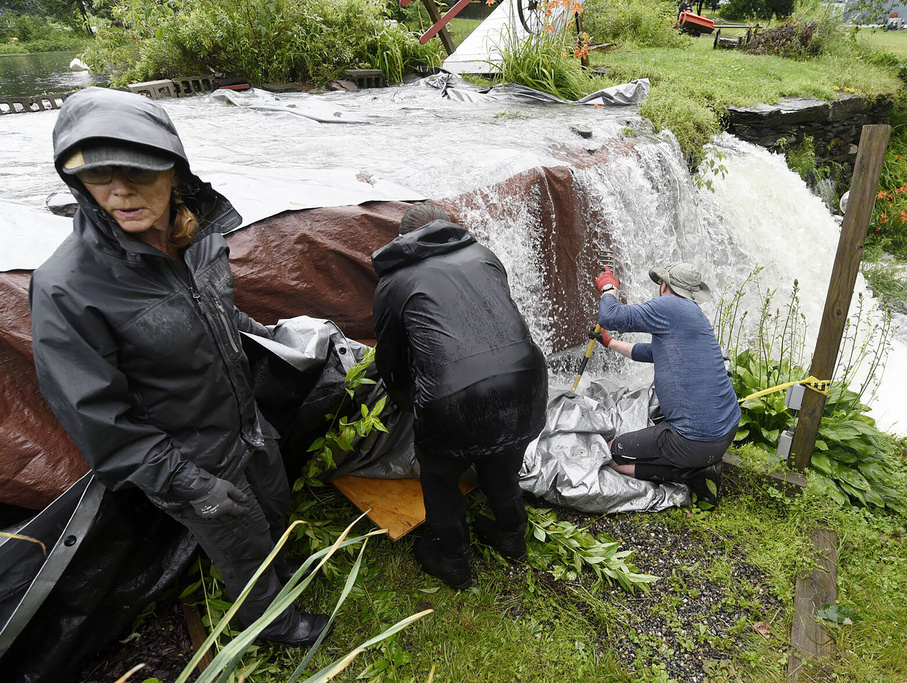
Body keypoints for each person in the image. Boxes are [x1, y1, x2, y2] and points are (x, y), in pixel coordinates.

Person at [30, 87, 328, 647]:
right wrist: (186, 484)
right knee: (236, 539)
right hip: (188, 460)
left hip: (247, 427)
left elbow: (216, 314)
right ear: (76, 183)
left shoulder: (198, 237)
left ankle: (285, 572)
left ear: (173, 171)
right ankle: (269, 624)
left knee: (272, 502)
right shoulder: (67, 287)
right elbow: (97, 417)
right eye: (99, 177)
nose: (119, 191)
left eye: (137, 172)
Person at [371, 204, 548, 589]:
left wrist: (408, 403)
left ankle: (452, 558)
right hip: (529, 380)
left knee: (439, 473)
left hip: (453, 400)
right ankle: (512, 535)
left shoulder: (394, 281)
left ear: (402, 240)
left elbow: (390, 361)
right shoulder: (485, 256)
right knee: (502, 461)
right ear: (449, 229)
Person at [592, 262, 740, 506]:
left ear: (664, 286)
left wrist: (609, 287)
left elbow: (611, 316)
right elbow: (650, 351)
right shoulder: (694, 316)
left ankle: (689, 473)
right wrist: (610, 343)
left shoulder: (670, 305)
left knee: (609, 454)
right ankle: (701, 464)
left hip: (692, 442)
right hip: (724, 433)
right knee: (648, 444)